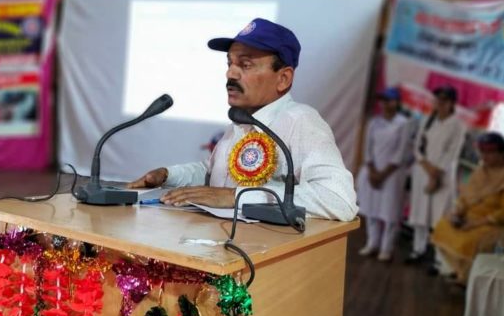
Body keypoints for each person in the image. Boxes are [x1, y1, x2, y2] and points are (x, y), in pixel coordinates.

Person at [127, 18, 358, 222]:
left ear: (283, 79)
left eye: (245, 65)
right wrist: (168, 175)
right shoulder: (242, 121)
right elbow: (214, 174)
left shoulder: (301, 121)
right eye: (230, 64)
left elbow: (339, 198)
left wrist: (237, 197)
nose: (230, 74)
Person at [432, 132, 504, 285]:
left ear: (502, 153)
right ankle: (460, 272)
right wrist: (458, 212)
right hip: (471, 219)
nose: (484, 156)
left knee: (471, 238)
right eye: (482, 152)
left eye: (489, 152)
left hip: (497, 225)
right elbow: (466, 198)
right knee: (444, 225)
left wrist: (476, 223)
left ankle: (469, 279)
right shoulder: (480, 172)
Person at [405, 85, 467, 263]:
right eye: (437, 99)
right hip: (423, 172)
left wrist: (436, 173)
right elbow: (417, 146)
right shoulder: (427, 120)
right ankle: (418, 249)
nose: (439, 103)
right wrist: (427, 167)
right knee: (420, 213)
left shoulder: (458, 125)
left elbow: (452, 153)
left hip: (443, 175)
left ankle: (439, 259)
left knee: (440, 217)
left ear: (451, 103)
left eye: (444, 100)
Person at [356, 87, 412, 261]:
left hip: (392, 174)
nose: (385, 104)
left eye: (389, 100)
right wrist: (372, 170)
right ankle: (372, 243)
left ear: (397, 102)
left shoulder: (403, 123)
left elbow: (401, 152)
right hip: (373, 171)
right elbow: (368, 148)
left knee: (390, 213)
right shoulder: (375, 122)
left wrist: (383, 174)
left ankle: (386, 248)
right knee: (371, 209)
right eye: (383, 100)